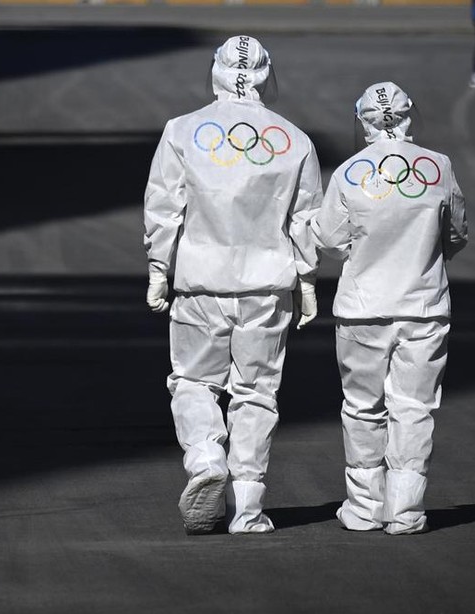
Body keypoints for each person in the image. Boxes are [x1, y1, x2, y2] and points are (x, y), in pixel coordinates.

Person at [143, 35, 322, 535]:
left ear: (216, 71)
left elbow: (164, 209)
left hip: (200, 280)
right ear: (268, 74)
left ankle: (204, 457)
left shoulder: (182, 132)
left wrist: (160, 270)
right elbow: (306, 219)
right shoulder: (295, 140)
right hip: (267, 285)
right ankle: (248, 507)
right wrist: (307, 280)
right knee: (257, 393)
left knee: (193, 382)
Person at [310, 82, 467, 535]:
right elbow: (456, 232)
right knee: (414, 408)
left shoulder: (348, 171)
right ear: (408, 115)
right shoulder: (438, 166)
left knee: (362, 408)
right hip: (424, 305)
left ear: (363, 120)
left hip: (363, 307)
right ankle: (405, 510)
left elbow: (330, 239)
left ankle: (363, 507)